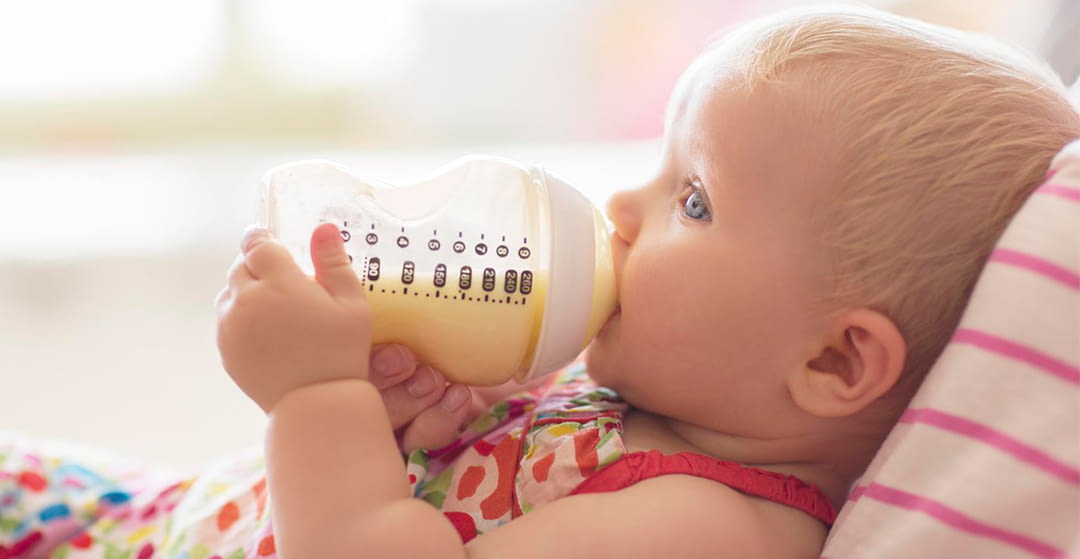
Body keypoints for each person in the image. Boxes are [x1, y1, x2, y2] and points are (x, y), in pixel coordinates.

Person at [4, 5, 1077, 559]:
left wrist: (313, 400)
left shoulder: (709, 530)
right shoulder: (651, 405)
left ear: (834, 360)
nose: (621, 211)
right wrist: (412, 427)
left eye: (692, 199)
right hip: (146, 513)